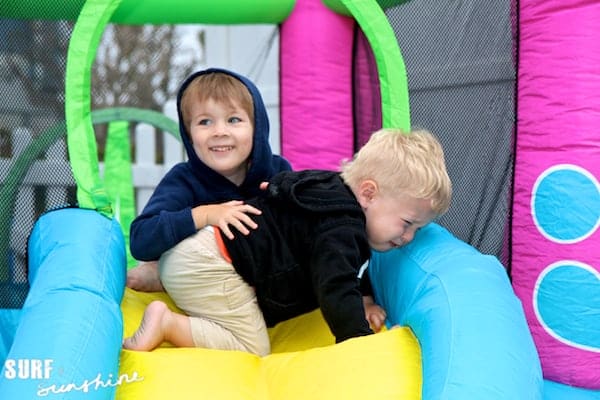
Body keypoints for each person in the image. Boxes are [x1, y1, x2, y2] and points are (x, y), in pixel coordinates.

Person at [123, 127, 452, 357]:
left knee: (210, 270)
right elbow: (336, 284)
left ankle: (164, 274)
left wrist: (365, 297)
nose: (407, 238)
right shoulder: (342, 225)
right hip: (215, 267)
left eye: (417, 230)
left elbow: (354, 264)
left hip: (199, 249)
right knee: (251, 346)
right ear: (368, 193)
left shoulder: (328, 192)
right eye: (407, 224)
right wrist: (357, 340)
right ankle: (167, 323)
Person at [127, 67, 292, 292]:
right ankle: (164, 278)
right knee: (155, 270)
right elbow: (141, 239)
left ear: (257, 128)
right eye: (205, 122)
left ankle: (163, 278)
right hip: (203, 280)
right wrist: (204, 215)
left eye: (234, 119)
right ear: (188, 133)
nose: (219, 131)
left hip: (262, 276)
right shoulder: (184, 179)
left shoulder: (277, 171)